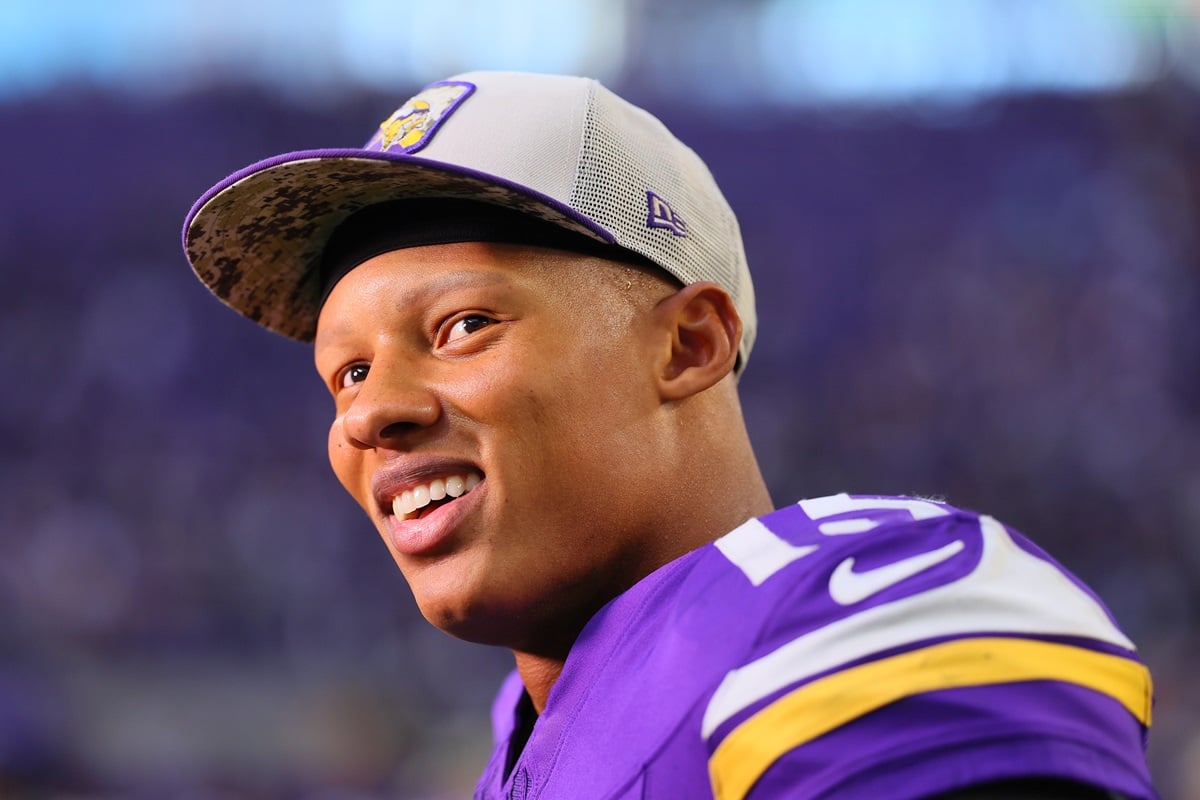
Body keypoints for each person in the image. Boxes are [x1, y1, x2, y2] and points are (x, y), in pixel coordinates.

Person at [182, 71, 1158, 799]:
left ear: (689, 343)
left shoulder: (847, 609)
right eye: (346, 371)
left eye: (462, 326)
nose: (365, 413)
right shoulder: (529, 721)